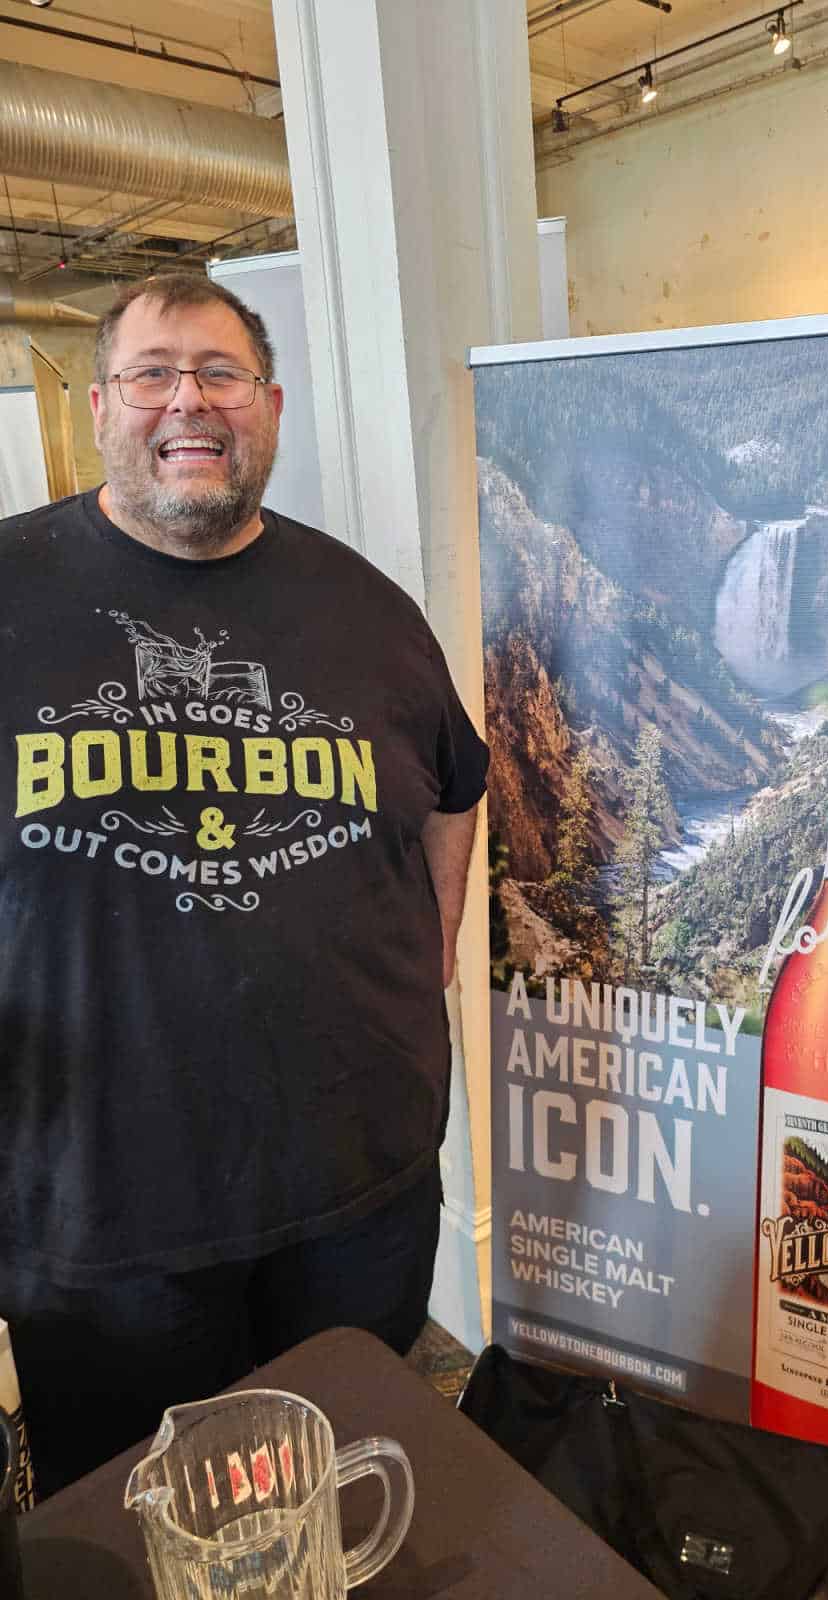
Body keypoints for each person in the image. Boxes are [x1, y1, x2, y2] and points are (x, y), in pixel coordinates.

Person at [0, 274, 488, 1494]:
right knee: (130, 1522)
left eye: (221, 374)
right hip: (104, 1212)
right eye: (155, 373)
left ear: (268, 407)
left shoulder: (369, 608)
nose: (190, 402)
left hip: (356, 1186)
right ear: (102, 403)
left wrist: (424, 960)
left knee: (343, 1492)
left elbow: (455, 786)